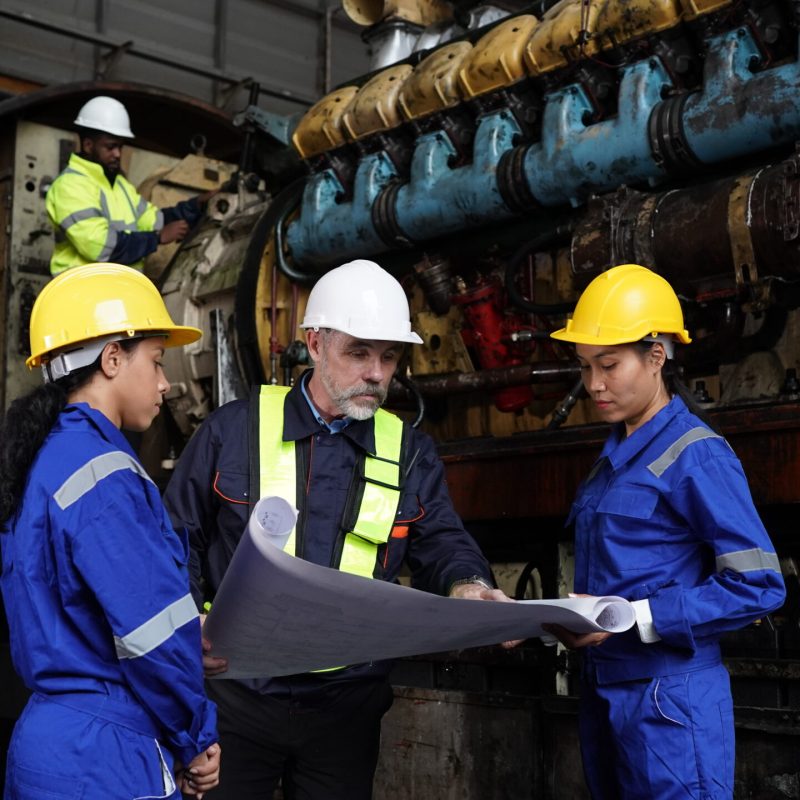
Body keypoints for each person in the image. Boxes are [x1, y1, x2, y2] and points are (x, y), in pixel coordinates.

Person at [163, 258, 516, 800]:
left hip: (344, 708)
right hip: (234, 699)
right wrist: (186, 645)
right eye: (359, 352)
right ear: (314, 343)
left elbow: (442, 541)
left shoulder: (410, 452)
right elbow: (176, 546)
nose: (376, 373)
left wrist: (468, 585)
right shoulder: (232, 432)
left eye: (389, 356)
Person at [546, 264, 786, 799]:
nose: (594, 385)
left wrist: (636, 616)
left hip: (671, 702)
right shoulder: (613, 460)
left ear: (657, 356)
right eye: (585, 367)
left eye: (608, 365)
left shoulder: (696, 455)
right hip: (608, 691)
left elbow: (760, 585)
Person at [0, 263, 221, 799]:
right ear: (113, 357)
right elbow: (149, 634)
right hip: (106, 756)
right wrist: (195, 738)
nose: (166, 383)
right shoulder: (106, 474)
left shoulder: (36, 460)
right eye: (158, 360)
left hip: (46, 745)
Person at [45, 95, 216, 275]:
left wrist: (197, 205)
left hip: (120, 290)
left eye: (120, 147)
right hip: (84, 290)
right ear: (88, 145)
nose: (118, 154)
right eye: (110, 147)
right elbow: (100, 247)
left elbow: (155, 221)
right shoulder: (71, 185)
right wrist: (157, 238)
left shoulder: (120, 185)